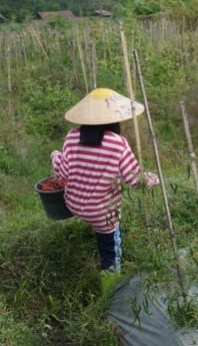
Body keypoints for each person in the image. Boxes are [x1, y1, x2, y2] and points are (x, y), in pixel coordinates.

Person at [50, 88, 159, 275]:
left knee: (95, 220)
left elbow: (63, 175)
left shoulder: (72, 137)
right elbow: (135, 182)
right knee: (110, 252)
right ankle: (111, 287)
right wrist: (152, 178)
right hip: (102, 215)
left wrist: (55, 156)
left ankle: (93, 230)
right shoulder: (117, 143)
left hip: (74, 205)